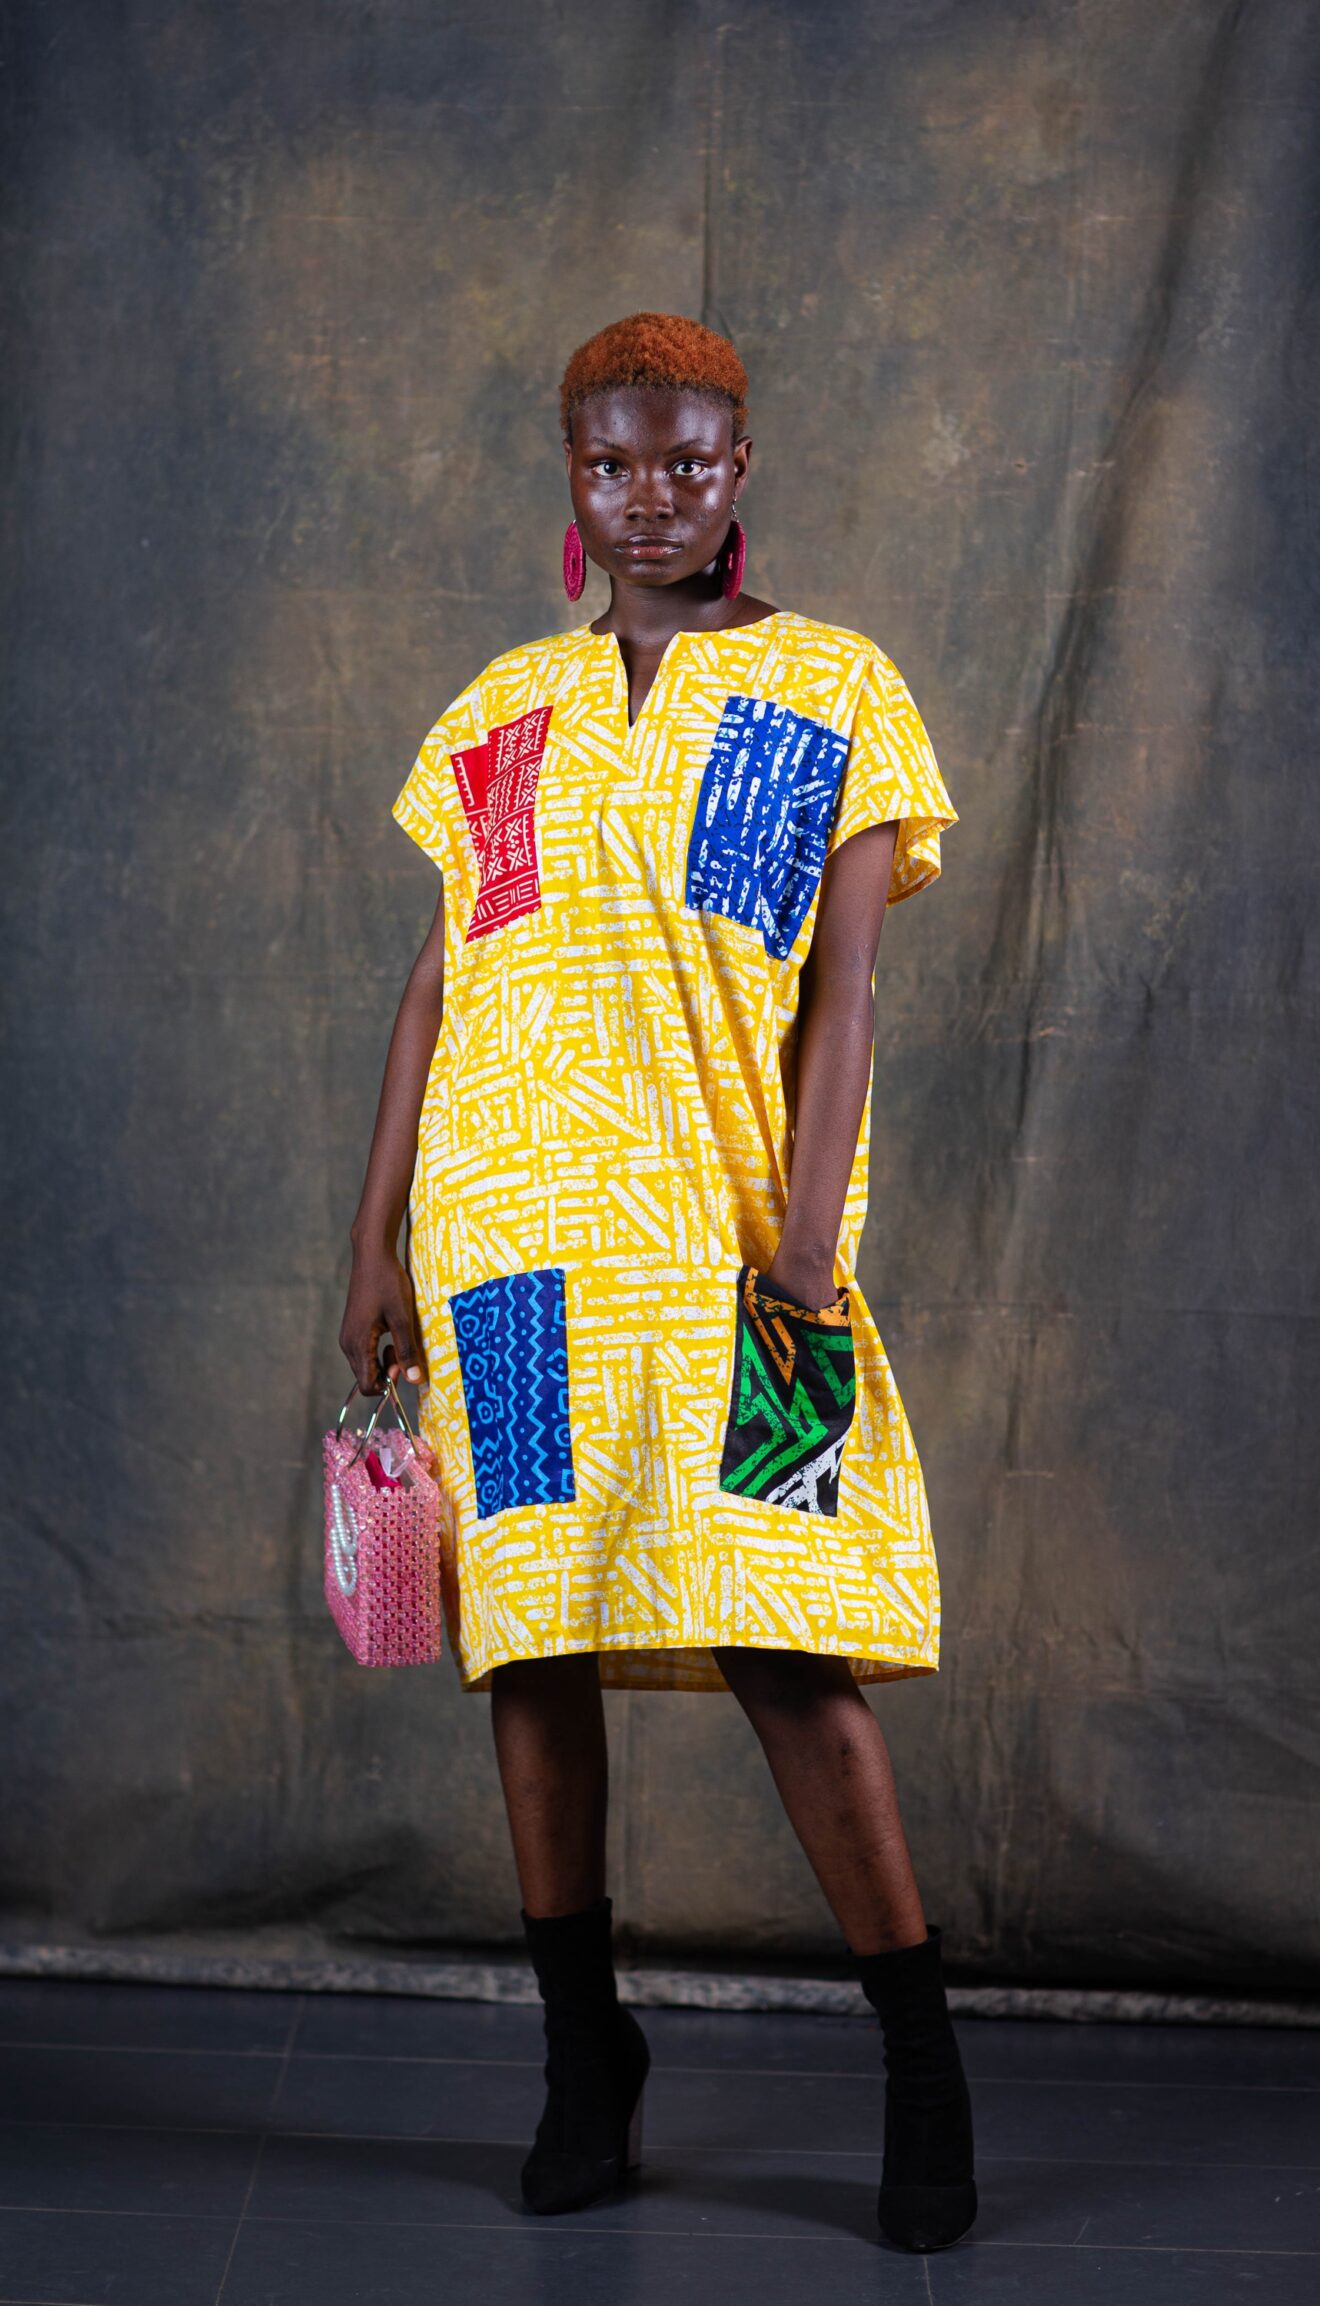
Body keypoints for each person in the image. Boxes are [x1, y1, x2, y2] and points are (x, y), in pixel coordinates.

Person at [340, 311, 975, 2254]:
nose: (650, 496)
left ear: (739, 468)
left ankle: (922, 2063)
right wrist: (373, 1235)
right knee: (532, 1644)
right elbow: (442, 986)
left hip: (736, 1255)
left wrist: (807, 1244)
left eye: (686, 461)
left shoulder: (830, 688)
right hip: (512, 1253)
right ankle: (580, 2056)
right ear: (574, 476)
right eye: (613, 464)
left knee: (788, 1645)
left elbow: (843, 996)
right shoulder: (501, 713)